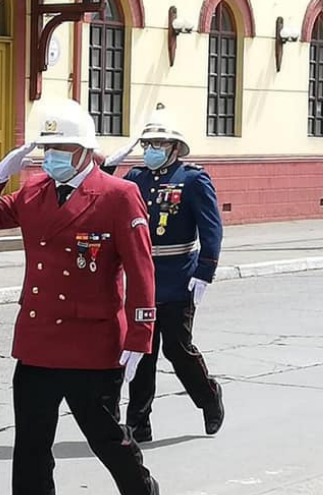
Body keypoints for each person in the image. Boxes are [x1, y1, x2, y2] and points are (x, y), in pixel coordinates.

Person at [0, 98, 160, 495]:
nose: (51, 157)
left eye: (61, 149)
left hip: (92, 343)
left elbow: (141, 270)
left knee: (106, 438)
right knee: (32, 445)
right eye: (46, 149)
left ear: (85, 151)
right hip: (38, 344)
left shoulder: (117, 194)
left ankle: (142, 490)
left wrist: (140, 336)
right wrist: (0, 173)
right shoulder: (35, 192)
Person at [101, 102, 225, 442]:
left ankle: (209, 397)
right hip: (142, 277)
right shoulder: (136, 177)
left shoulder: (192, 179)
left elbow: (211, 228)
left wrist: (205, 271)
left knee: (178, 349)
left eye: (158, 144)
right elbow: (103, 194)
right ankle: (139, 423)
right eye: (148, 144)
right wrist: (109, 164)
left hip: (178, 277)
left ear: (174, 147)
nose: (152, 150)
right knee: (141, 352)